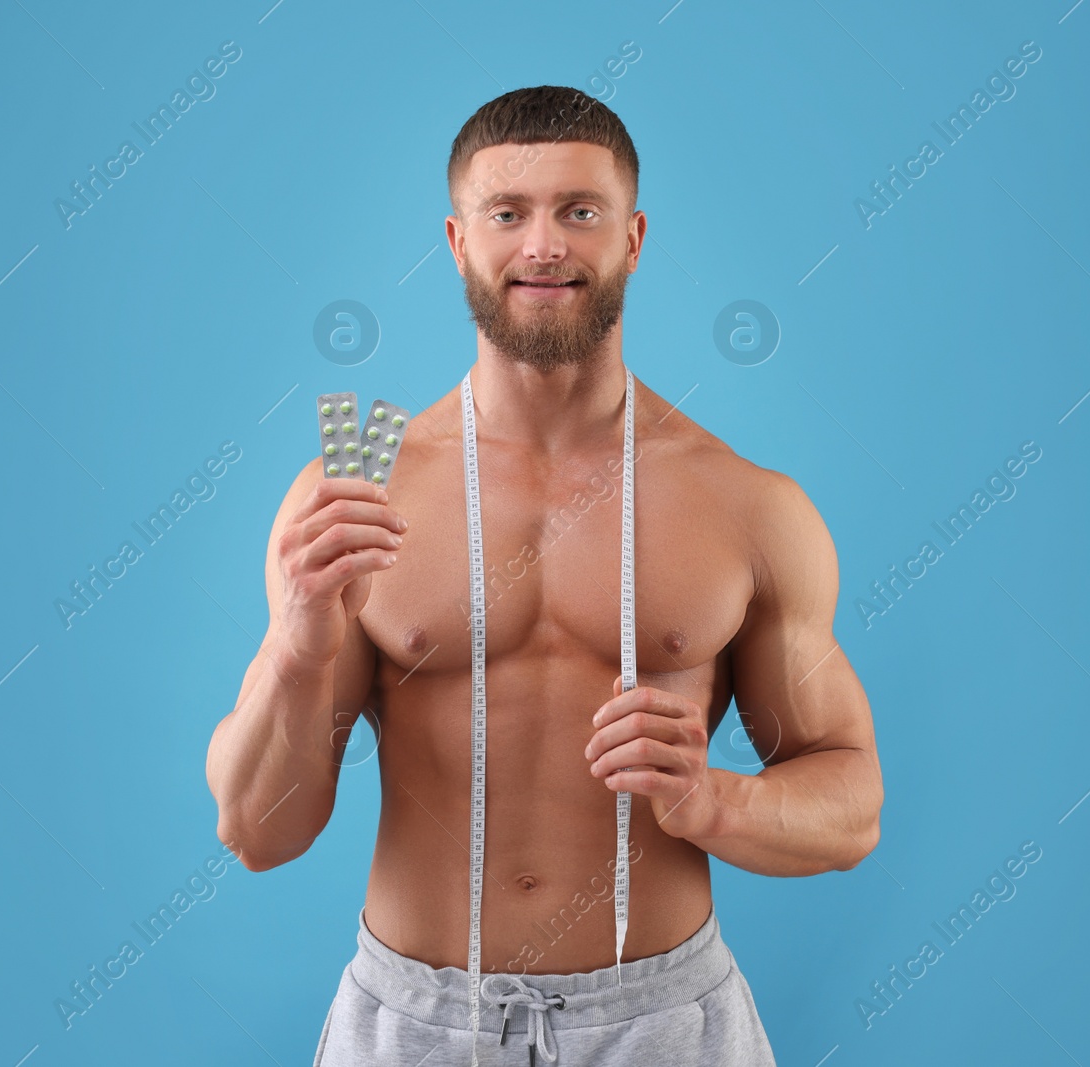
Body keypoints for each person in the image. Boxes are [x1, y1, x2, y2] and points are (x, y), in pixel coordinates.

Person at [204, 84, 883, 1066]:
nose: (543, 245)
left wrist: (712, 802)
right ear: (455, 240)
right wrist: (298, 643)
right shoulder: (359, 489)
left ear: (634, 236)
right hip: (418, 1021)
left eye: (579, 211)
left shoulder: (745, 505)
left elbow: (851, 803)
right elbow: (254, 831)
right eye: (507, 213)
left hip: (660, 1018)